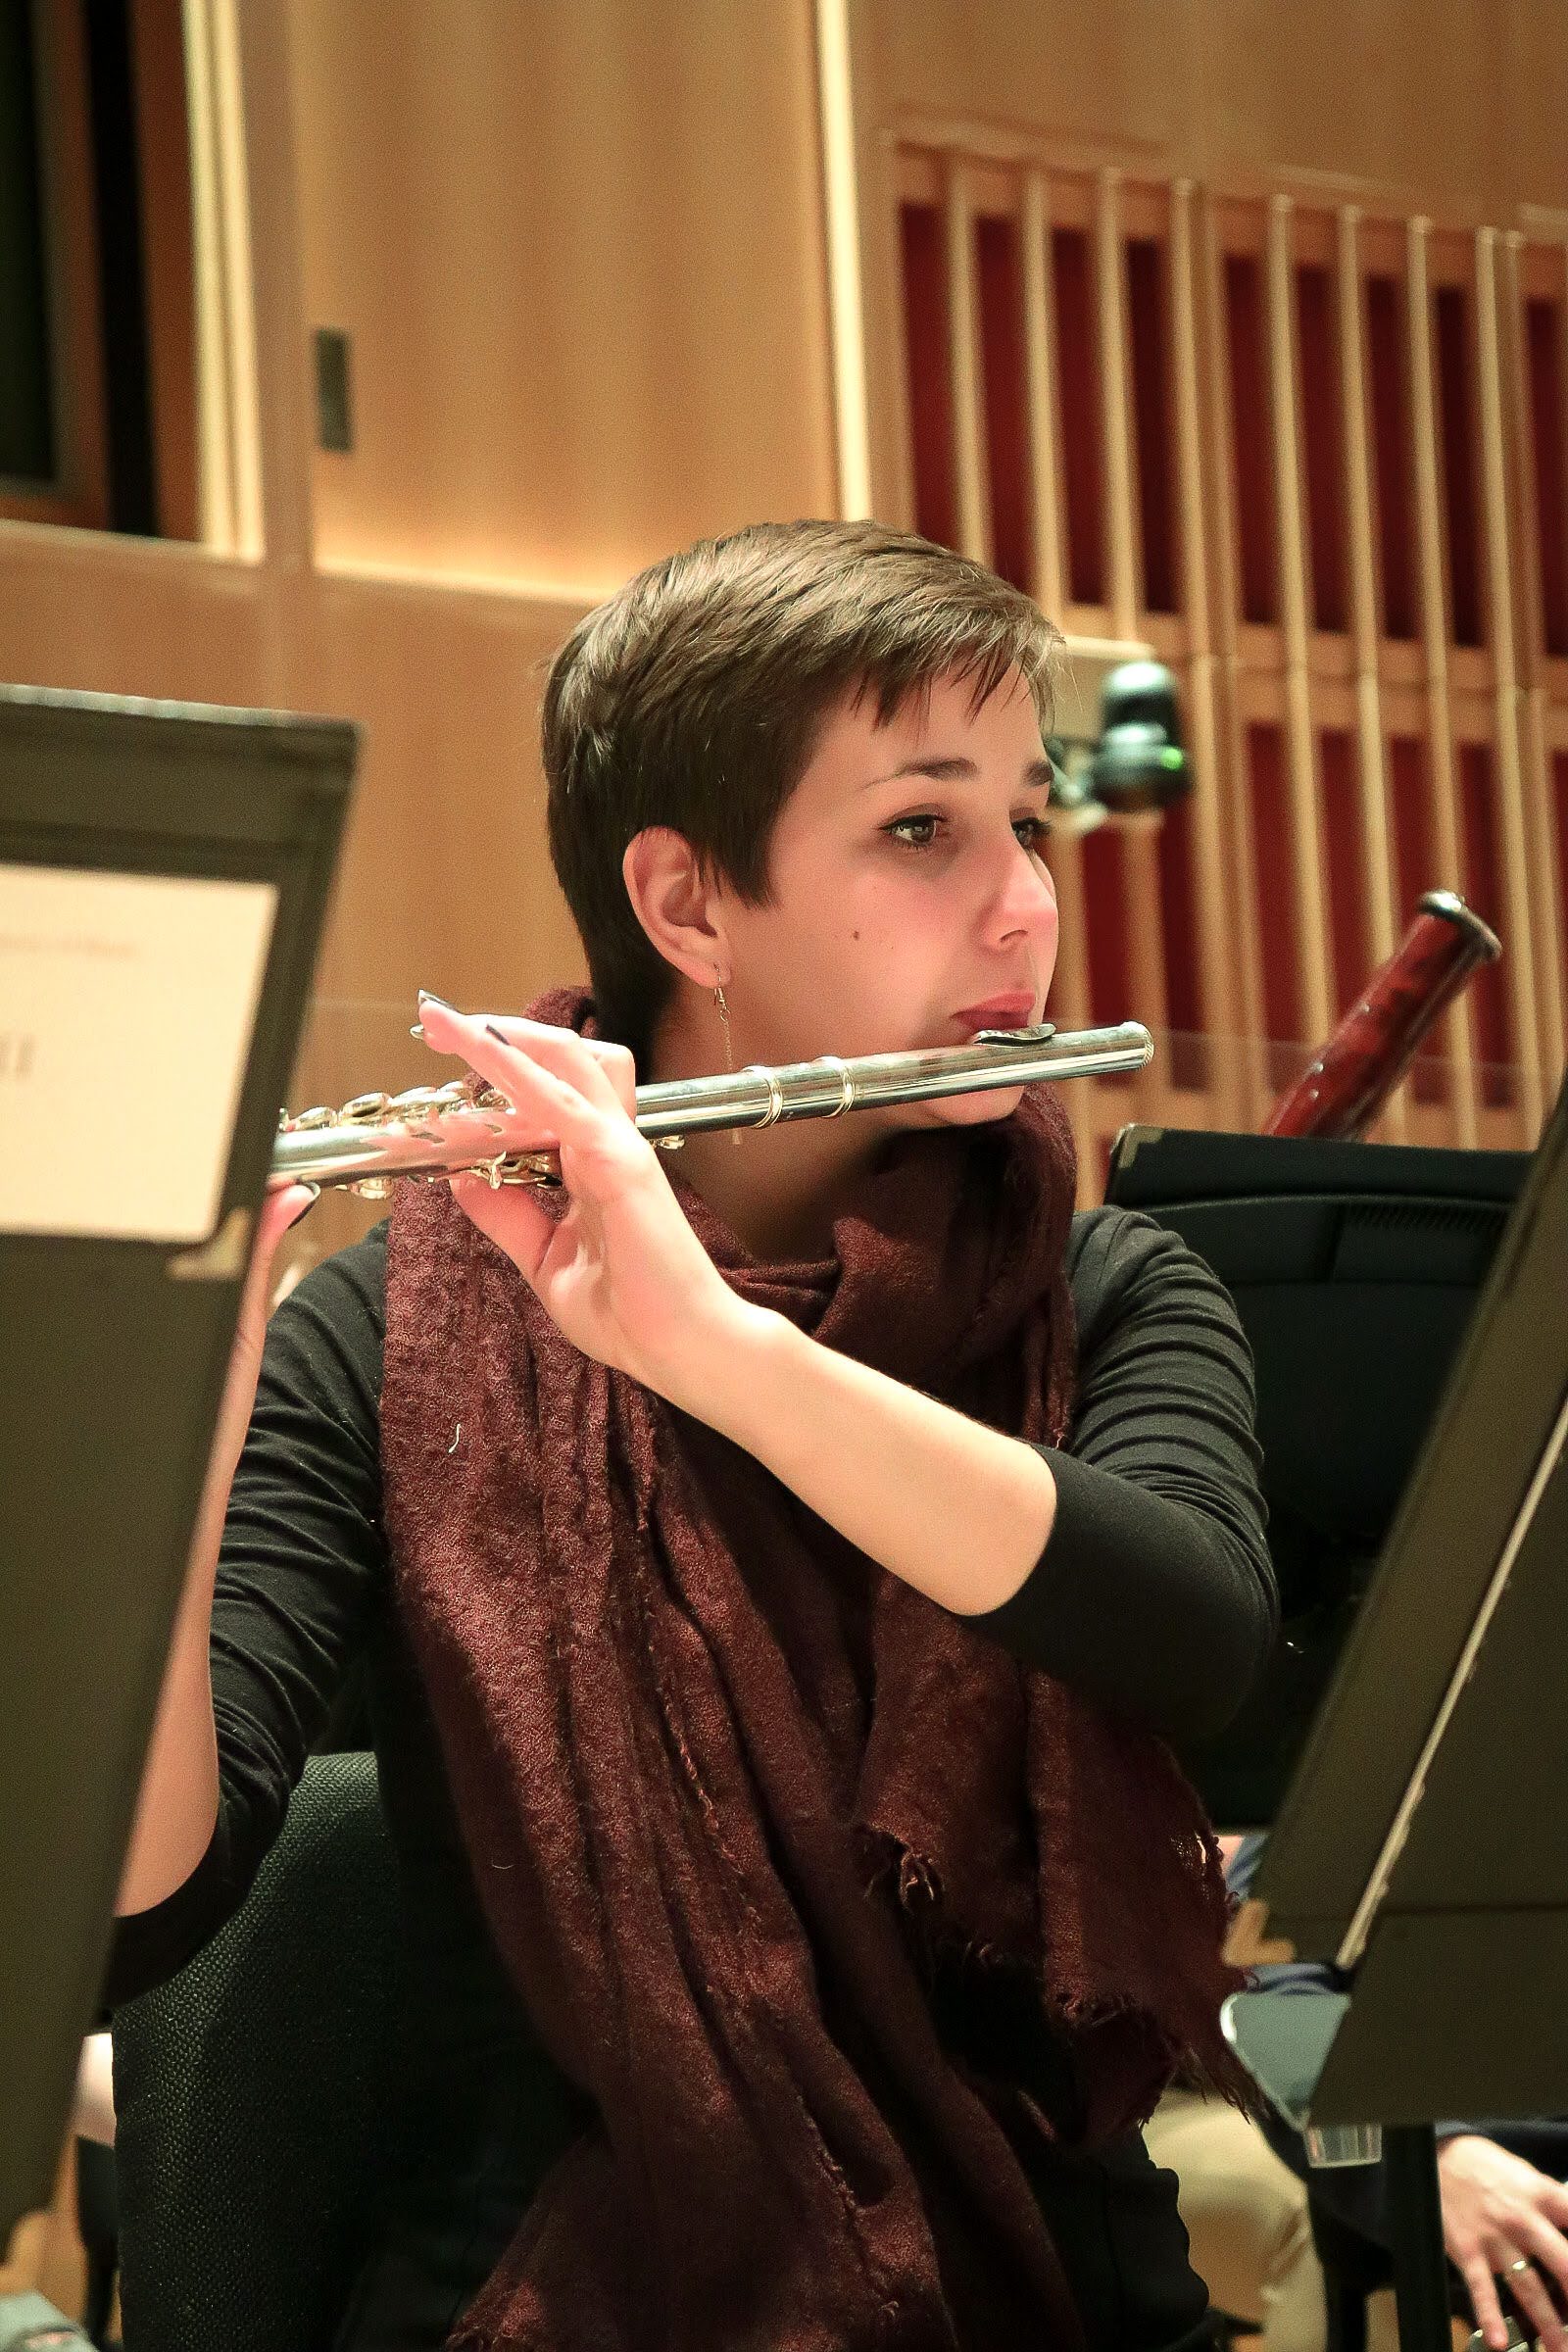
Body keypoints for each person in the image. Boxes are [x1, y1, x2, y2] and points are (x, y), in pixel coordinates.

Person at [108, 520, 1278, 2351]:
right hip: (544, 2299)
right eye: (920, 826)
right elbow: (135, 1913)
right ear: (686, 906)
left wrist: (714, 1352)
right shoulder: (390, 1334)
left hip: (1053, 2295)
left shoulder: (1109, 1290)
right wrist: (158, 1436)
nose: (1025, 906)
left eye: (1029, 823)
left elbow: (1192, 1629)